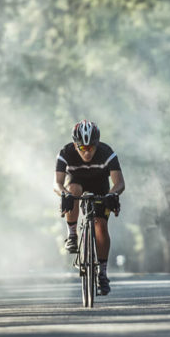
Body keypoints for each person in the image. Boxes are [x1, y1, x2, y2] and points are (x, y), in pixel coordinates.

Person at [54, 120, 125, 295]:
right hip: (76, 184)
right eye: (82, 148)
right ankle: (72, 234)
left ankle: (102, 272)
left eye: (91, 147)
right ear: (75, 145)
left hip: (100, 186)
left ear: (97, 143)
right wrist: (63, 194)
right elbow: (57, 183)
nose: (87, 152)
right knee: (72, 191)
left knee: (100, 225)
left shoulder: (106, 152)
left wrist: (112, 194)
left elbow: (119, 183)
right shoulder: (66, 152)